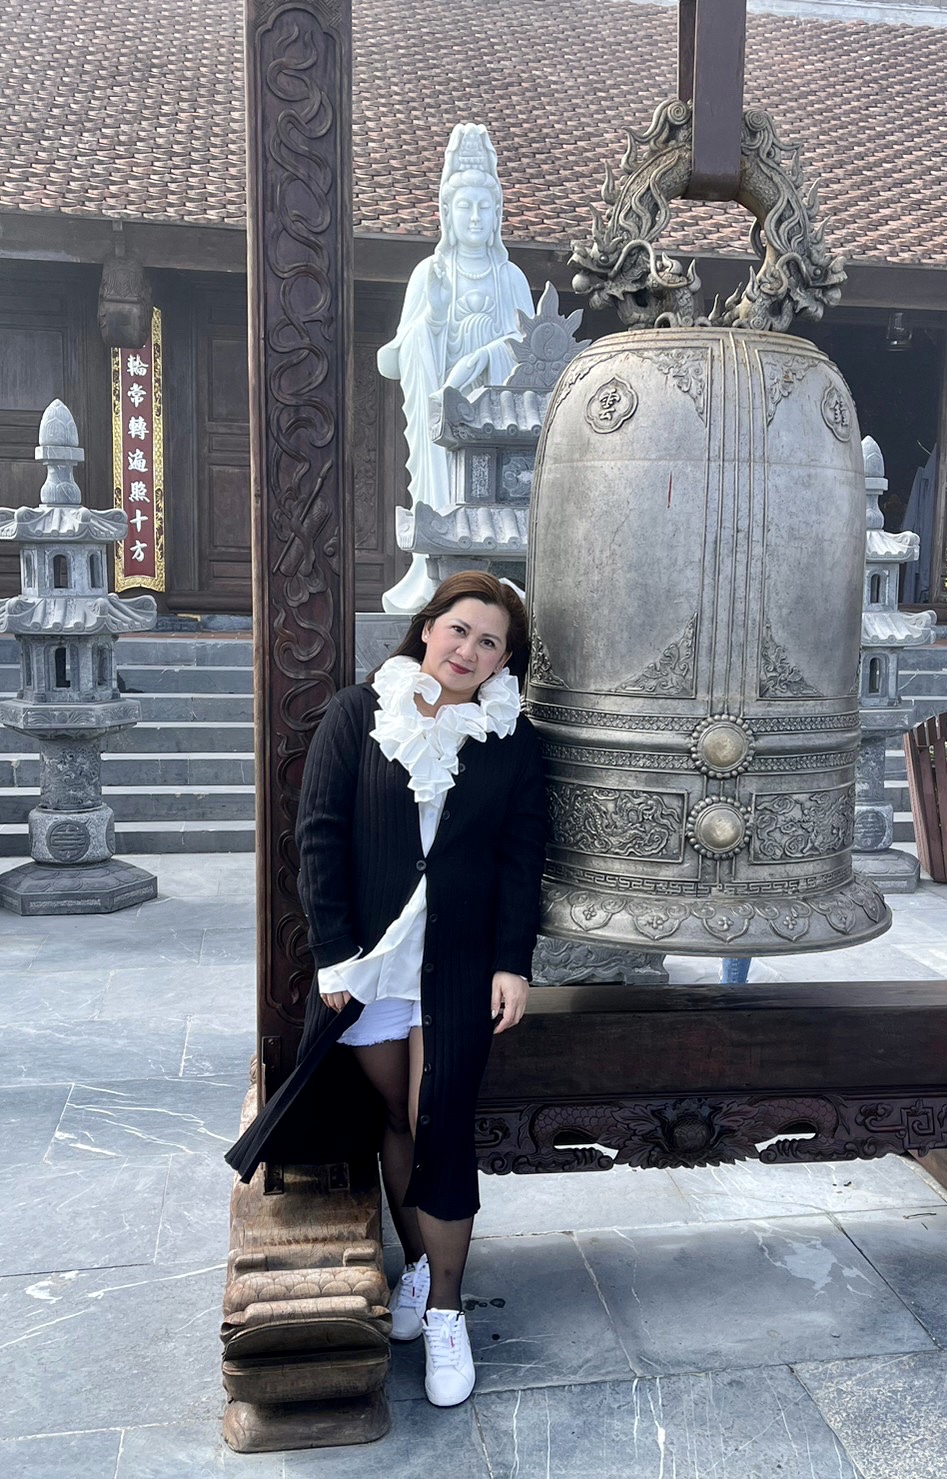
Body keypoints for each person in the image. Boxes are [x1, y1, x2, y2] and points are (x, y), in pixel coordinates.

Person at [225, 571, 547, 1408]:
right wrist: (334, 955)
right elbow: (319, 836)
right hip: (374, 965)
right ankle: (419, 1269)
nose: (467, 650)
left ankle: (445, 1309)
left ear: (503, 661)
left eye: (489, 642)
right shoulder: (358, 713)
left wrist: (512, 962)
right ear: (427, 626)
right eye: (458, 629)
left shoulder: (510, 736)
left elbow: (521, 858)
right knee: (399, 1122)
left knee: (436, 1119)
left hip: (460, 964)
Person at [377, 123, 534, 616]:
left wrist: (486, 355)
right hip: (445, 426)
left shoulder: (511, 278)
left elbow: (530, 352)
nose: (475, 217)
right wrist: (437, 316)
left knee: (497, 507)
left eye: (485, 206)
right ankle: (435, 575)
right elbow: (398, 357)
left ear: (498, 214)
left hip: (496, 422)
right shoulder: (430, 274)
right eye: (465, 205)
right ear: (447, 212)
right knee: (447, 496)